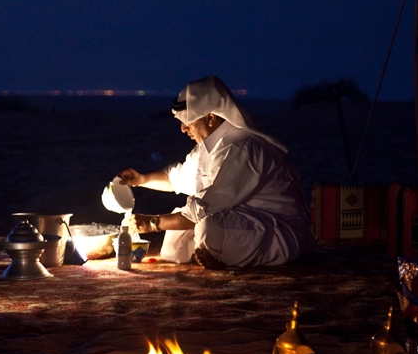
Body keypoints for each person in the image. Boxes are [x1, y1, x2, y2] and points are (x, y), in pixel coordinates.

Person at [118, 75, 308, 268]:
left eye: (188, 122)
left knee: (209, 227)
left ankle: (217, 254)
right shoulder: (209, 147)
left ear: (210, 118)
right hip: (243, 221)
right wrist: (141, 178)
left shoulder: (242, 148)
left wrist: (153, 223)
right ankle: (212, 253)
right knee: (176, 240)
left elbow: (206, 207)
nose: (183, 129)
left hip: (278, 231)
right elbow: (177, 177)